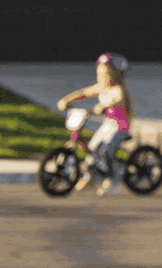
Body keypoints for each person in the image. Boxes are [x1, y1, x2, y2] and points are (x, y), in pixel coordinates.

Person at [56, 53, 132, 195]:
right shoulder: (101, 87)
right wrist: (66, 100)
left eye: (106, 74)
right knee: (91, 150)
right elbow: (84, 93)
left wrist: (104, 105)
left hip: (120, 127)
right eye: (100, 73)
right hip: (107, 125)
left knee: (108, 151)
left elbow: (118, 99)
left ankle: (113, 179)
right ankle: (90, 176)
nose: (102, 77)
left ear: (115, 75)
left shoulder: (117, 89)